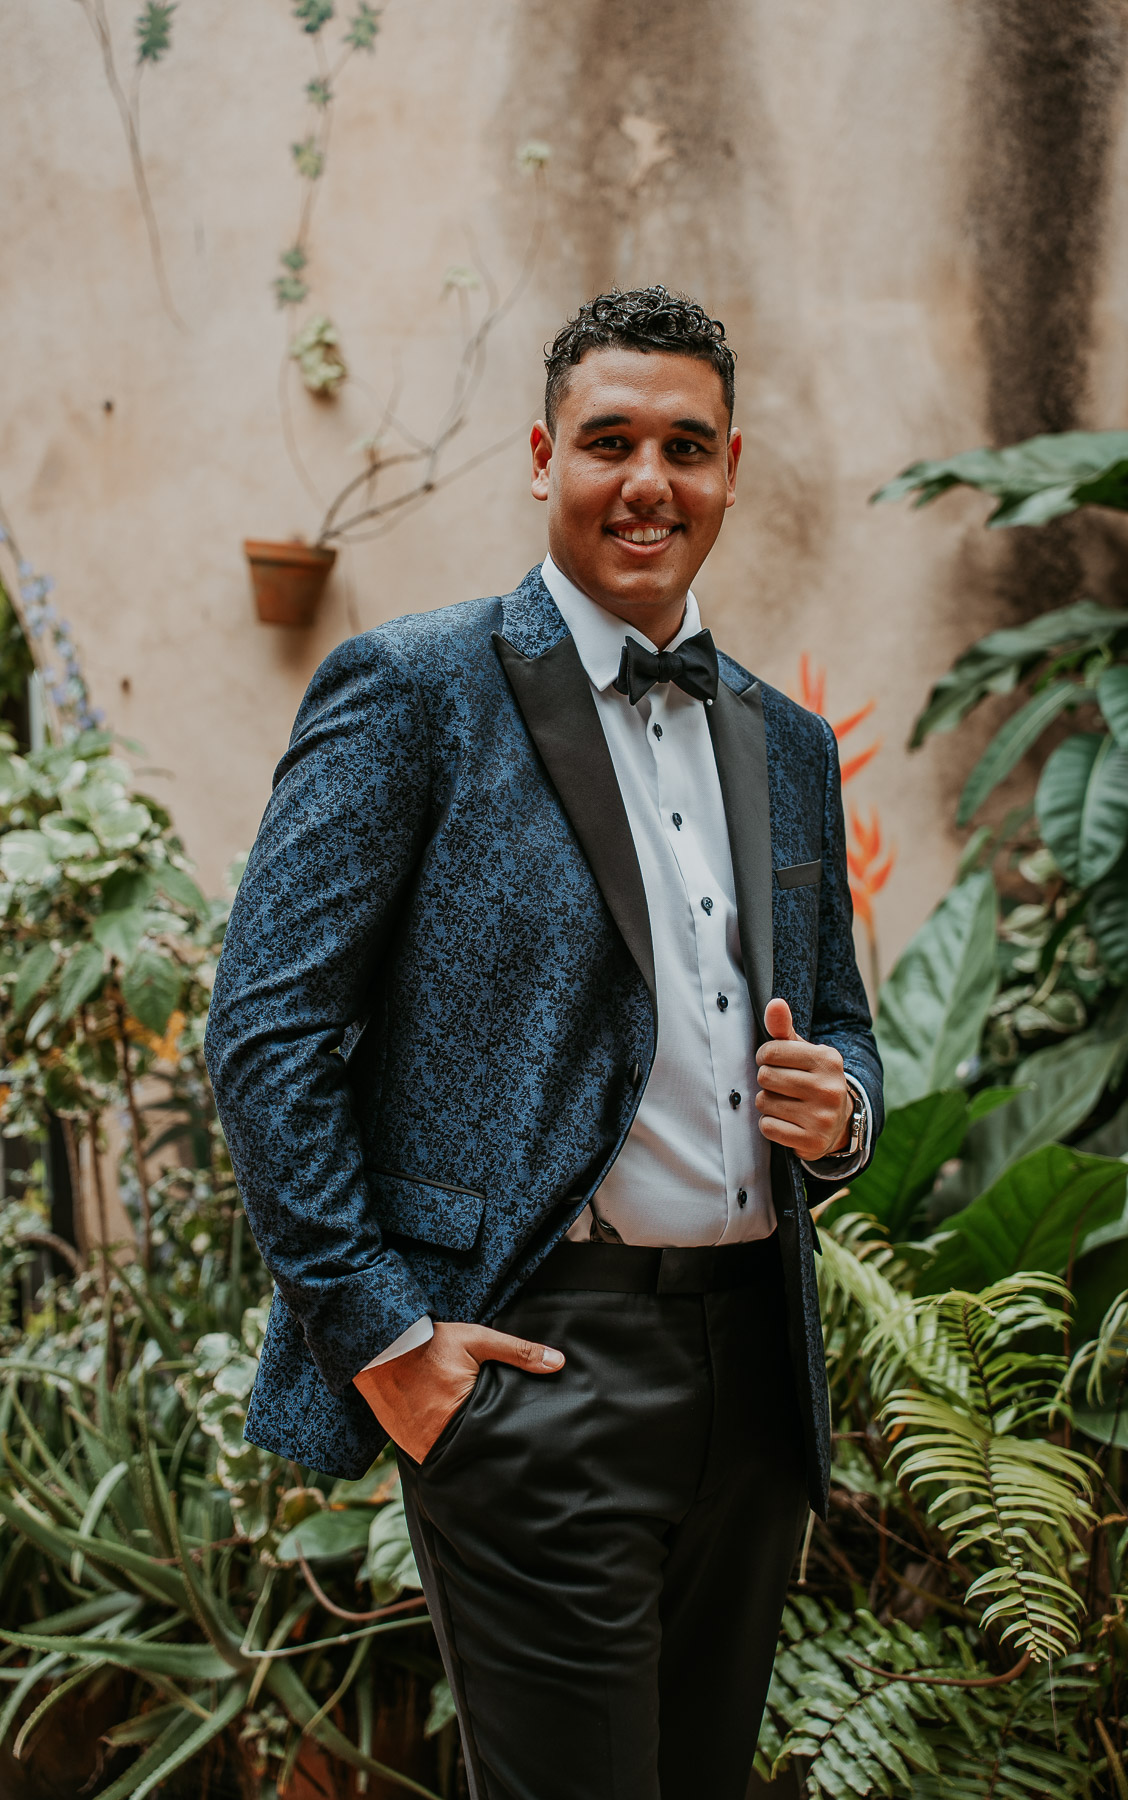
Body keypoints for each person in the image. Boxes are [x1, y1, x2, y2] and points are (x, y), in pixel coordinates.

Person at [205, 285, 883, 1800]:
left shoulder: (784, 741)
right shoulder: (414, 688)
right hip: (534, 1364)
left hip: (755, 1381)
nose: (650, 481)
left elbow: (841, 1023)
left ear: (731, 468)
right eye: (611, 441)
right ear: (541, 455)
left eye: (687, 447)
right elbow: (264, 1032)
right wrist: (386, 1344)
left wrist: (843, 1109)